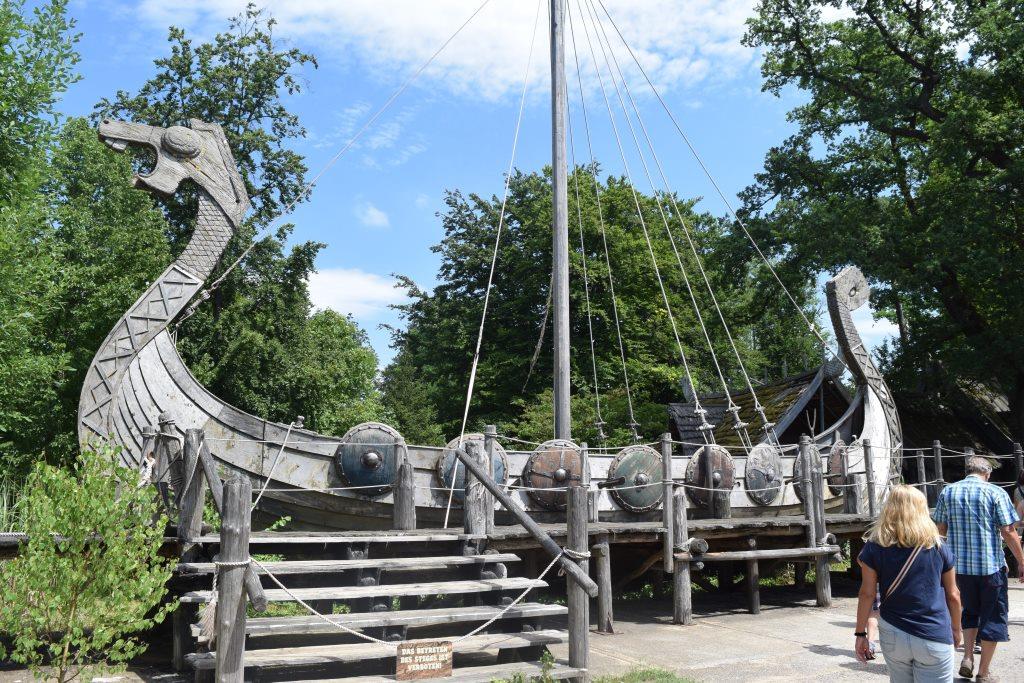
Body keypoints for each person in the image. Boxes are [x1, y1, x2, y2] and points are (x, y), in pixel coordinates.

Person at [855, 485, 962, 682]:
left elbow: (867, 594)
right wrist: (956, 628)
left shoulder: (874, 547)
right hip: (933, 631)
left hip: (894, 632)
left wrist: (861, 633)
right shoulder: (938, 546)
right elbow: (953, 594)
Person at [933, 456, 1024, 682]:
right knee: (993, 617)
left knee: (969, 612)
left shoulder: (948, 492)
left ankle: (967, 657)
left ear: (967, 471)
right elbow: (1008, 531)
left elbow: (940, 530)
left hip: (958, 569)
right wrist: (1022, 561)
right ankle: (983, 673)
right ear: (988, 473)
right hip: (989, 568)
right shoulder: (996, 492)